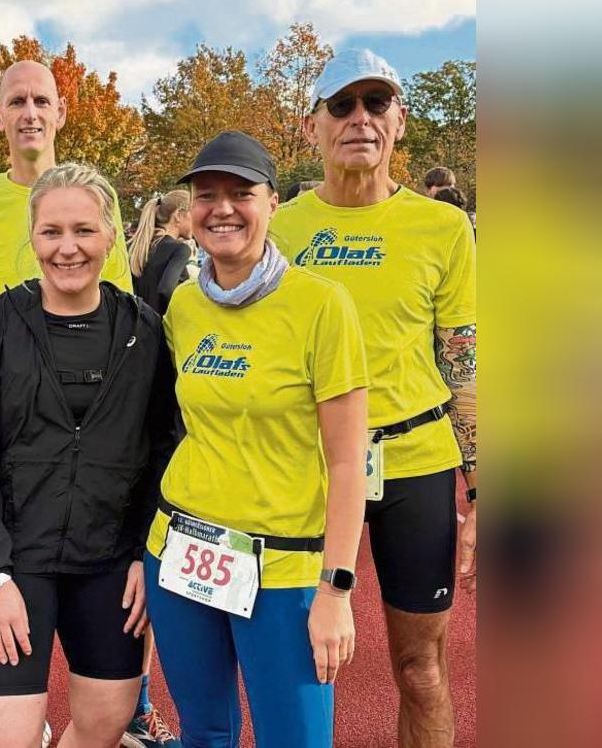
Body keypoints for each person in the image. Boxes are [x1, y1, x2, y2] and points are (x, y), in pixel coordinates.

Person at [273, 49, 477, 748]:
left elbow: (463, 362)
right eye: (342, 105)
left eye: (376, 103)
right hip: (305, 465)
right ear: (312, 128)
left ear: (400, 120)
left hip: (415, 462)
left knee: (420, 668)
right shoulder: (280, 230)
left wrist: (477, 488)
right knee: (304, 658)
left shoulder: (445, 229)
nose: (360, 118)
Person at [142, 131, 369, 748]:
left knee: (294, 739)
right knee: (205, 732)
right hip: (182, 549)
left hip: (284, 567)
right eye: (206, 194)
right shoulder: (185, 306)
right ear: (189, 211)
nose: (222, 208)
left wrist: (336, 588)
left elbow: (349, 462)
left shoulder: (322, 305)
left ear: (271, 202)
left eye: (240, 193)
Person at [0, 163, 178, 748]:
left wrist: (143, 554)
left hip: (109, 561)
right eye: (51, 232)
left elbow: (162, 450)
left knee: (105, 722)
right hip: (17, 559)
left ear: (109, 236)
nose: (67, 248)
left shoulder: (143, 331)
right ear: (32, 238)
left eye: (82, 230)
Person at [0, 60, 133, 323]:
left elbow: (119, 298)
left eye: (42, 101)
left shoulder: (96, 196)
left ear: (61, 112)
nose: (30, 114)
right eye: (17, 101)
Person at [129, 189, 192, 315]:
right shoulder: (180, 249)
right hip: (161, 326)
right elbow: (167, 289)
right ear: (178, 215)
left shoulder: (135, 247)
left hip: (135, 326)